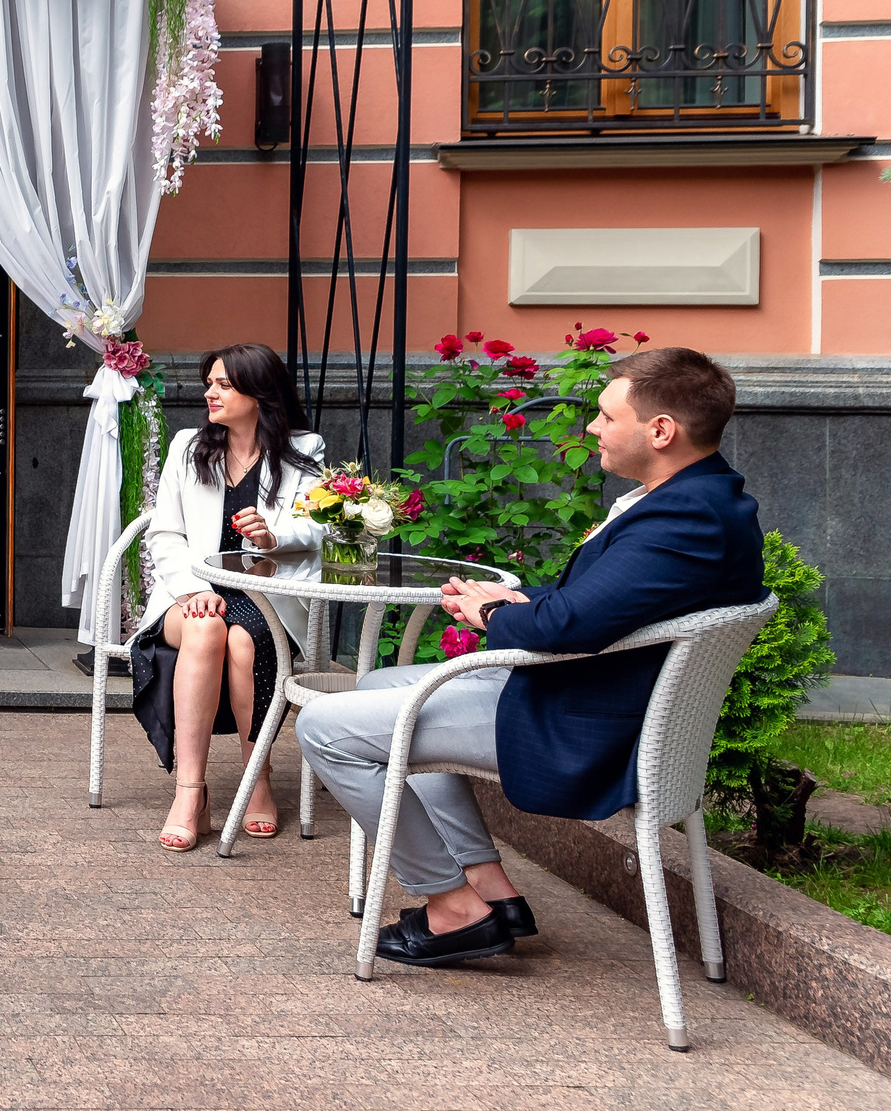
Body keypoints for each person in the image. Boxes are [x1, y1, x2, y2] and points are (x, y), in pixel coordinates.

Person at [298, 346, 765, 968]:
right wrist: (514, 597)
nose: (592, 429)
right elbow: (602, 603)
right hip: (590, 694)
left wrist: (492, 613)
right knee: (381, 682)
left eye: (605, 417)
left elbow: (569, 625)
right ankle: (491, 888)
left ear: (660, 431)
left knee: (322, 727)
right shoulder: (702, 498)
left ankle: (453, 908)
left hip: (582, 727)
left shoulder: (686, 518)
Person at [129, 344, 327, 851]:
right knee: (206, 625)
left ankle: (255, 773)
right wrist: (195, 590)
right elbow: (164, 535)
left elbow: (322, 524)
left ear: (259, 394)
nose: (209, 393)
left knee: (243, 641)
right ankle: (190, 791)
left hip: (265, 596)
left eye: (223, 385)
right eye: (209, 383)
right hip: (190, 594)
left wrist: (273, 537)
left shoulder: (305, 450)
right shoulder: (188, 446)